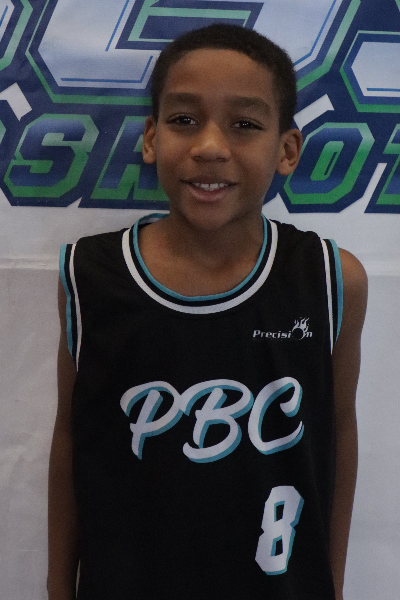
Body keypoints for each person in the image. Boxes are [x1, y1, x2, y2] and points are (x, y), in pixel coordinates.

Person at [48, 24, 367, 600]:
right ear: (151, 139)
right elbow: (72, 435)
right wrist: (56, 585)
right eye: (184, 119)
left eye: (244, 124)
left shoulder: (330, 279)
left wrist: (332, 584)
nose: (211, 146)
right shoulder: (91, 276)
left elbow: (338, 434)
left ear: (287, 150)